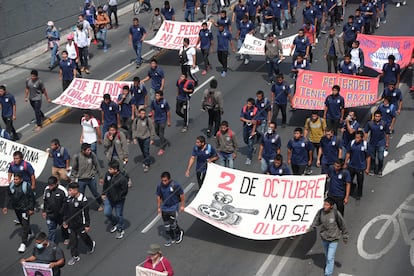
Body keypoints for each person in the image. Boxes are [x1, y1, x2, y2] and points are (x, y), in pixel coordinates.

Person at [309, 197, 349, 276]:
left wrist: (345, 236)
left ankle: (328, 273)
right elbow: (316, 221)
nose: (325, 206)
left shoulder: (335, 213)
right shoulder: (320, 212)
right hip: (324, 238)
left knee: (330, 257)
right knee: (328, 256)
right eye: (324, 204)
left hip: (334, 239)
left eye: (327, 205)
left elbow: (343, 225)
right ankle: (329, 266)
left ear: (331, 206)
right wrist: (311, 228)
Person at [63, 182, 96, 266]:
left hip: (80, 225)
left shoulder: (82, 200)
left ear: (75, 190)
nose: (69, 192)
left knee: (84, 237)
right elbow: (66, 211)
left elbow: (85, 214)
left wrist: (87, 225)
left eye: (70, 190)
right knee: (73, 241)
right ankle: (75, 256)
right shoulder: (68, 199)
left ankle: (91, 244)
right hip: (71, 224)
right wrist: (65, 221)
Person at [3, 173, 35, 253]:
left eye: (17, 179)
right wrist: (5, 206)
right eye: (14, 179)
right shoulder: (11, 186)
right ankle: (30, 232)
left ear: (21, 179)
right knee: (22, 222)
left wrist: (31, 209)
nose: (15, 181)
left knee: (24, 224)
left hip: (25, 209)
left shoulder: (26, 186)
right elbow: (8, 196)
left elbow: (32, 197)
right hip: (17, 208)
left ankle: (23, 243)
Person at [71, 143, 104, 211]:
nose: (90, 151)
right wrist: (73, 179)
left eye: (90, 150)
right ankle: (82, 209)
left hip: (91, 179)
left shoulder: (92, 155)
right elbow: (74, 169)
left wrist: (101, 177)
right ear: (83, 151)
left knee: (95, 193)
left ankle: (100, 204)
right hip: (81, 180)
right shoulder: (77, 157)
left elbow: (97, 166)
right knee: (81, 196)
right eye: (88, 150)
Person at [102, 160, 128, 239]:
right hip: (109, 198)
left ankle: (120, 229)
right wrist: (103, 193)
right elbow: (105, 184)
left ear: (116, 170)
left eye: (110, 169)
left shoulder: (122, 179)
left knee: (118, 214)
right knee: (107, 213)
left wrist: (118, 197)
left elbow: (124, 190)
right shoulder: (108, 175)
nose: (108, 170)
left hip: (118, 201)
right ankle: (115, 222)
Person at [157, 172, 185, 246]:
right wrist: (159, 207)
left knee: (173, 224)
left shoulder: (175, 185)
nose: (164, 182)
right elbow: (159, 196)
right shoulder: (160, 186)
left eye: (165, 180)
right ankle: (171, 238)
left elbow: (181, 195)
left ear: (169, 179)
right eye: (162, 180)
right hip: (165, 208)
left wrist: (182, 205)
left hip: (173, 207)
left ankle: (179, 233)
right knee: (167, 225)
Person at [344, 130, 370, 200]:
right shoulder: (352, 143)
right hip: (351, 166)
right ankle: (349, 190)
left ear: (362, 138)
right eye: (356, 137)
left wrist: (367, 168)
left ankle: (359, 194)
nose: (356, 139)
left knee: (360, 181)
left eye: (358, 138)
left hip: (360, 167)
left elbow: (368, 157)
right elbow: (348, 153)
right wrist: (345, 163)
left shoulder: (365, 145)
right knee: (348, 180)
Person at [42, 176, 69, 244]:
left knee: (64, 227)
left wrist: (65, 216)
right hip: (50, 214)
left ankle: (66, 237)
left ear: (56, 183)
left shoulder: (63, 190)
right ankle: (51, 243)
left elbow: (66, 204)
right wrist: (44, 211)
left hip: (60, 215)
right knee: (51, 229)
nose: (50, 187)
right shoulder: (47, 189)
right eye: (49, 185)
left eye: (52, 185)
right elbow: (45, 201)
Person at [364, 110, 389, 177]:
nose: (377, 118)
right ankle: (372, 169)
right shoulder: (370, 123)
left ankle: (380, 169)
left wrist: (387, 142)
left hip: (381, 143)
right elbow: (366, 132)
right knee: (372, 157)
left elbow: (387, 133)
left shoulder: (384, 123)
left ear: (381, 117)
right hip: (372, 143)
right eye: (376, 116)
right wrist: (365, 141)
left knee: (380, 158)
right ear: (374, 117)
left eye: (378, 116)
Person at [150, 91, 171, 155]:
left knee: (161, 133)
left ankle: (162, 148)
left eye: (158, 96)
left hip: (163, 119)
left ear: (161, 96)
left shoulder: (164, 102)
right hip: (156, 119)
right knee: (157, 132)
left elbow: (168, 111)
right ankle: (164, 140)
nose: (156, 97)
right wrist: (152, 118)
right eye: (156, 96)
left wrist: (168, 121)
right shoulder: (153, 102)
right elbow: (153, 110)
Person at [240, 98, 258, 165]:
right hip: (245, 127)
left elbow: (255, 122)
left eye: (249, 104)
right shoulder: (244, 108)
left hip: (251, 129)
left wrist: (253, 132)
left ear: (252, 105)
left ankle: (249, 158)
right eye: (247, 103)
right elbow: (241, 118)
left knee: (250, 143)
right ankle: (252, 148)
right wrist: (247, 121)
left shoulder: (255, 110)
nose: (248, 105)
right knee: (245, 140)